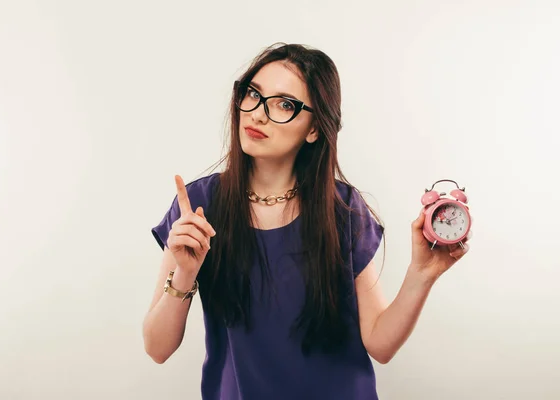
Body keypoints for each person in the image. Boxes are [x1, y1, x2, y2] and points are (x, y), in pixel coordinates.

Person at [142, 42, 471, 400]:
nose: (257, 114)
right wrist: (186, 272)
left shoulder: (343, 210)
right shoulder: (199, 207)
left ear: (314, 129)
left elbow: (379, 342)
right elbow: (157, 348)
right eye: (253, 94)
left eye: (284, 104)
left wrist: (421, 276)